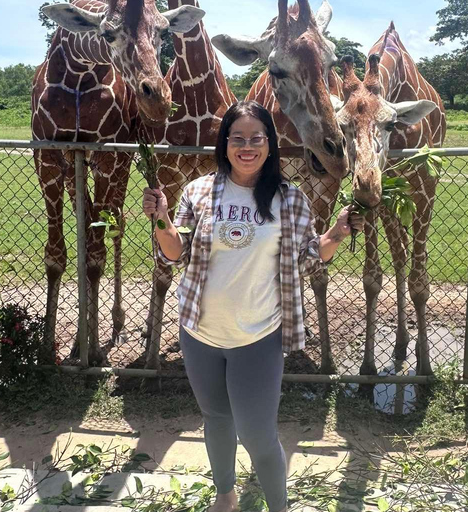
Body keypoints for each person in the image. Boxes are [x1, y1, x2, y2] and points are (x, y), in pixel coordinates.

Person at [142, 101, 362, 512]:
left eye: (256, 138)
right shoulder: (198, 192)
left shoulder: (290, 199)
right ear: (224, 143)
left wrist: (336, 231)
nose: (247, 146)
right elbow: (175, 255)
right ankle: (225, 497)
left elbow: (309, 258)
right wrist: (161, 219)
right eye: (237, 138)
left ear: (269, 144)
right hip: (199, 333)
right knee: (216, 419)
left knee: (259, 435)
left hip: (258, 336)